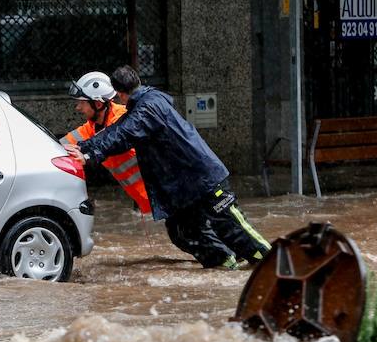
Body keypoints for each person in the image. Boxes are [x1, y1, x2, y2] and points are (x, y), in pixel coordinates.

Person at [64, 65, 272, 270]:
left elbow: (122, 134)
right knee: (183, 233)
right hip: (185, 187)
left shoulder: (148, 109)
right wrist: (85, 148)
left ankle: (274, 265)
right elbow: (115, 131)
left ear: (120, 94)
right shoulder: (143, 106)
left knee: (234, 230)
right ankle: (226, 267)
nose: (78, 108)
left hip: (203, 179)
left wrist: (89, 155)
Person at [60, 71, 151, 215]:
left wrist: (86, 157)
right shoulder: (91, 127)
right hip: (147, 202)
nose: (78, 107)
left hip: (166, 195)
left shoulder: (124, 119)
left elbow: (107, 141)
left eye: (82, 102)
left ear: (97, 104)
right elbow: (60, 145)